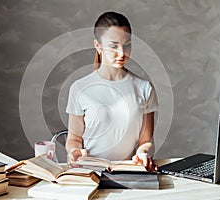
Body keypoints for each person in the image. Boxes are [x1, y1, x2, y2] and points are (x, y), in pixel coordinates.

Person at [65, 11, 158, 171]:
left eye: (127, 45)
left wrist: (143, 153)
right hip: (89, 171)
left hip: (128, 171)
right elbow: (74, 138)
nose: (122, 53)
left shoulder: (144, 88)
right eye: (114, 46)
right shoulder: (80, 88)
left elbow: (146, 140)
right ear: (98, 46)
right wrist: (74, 151)